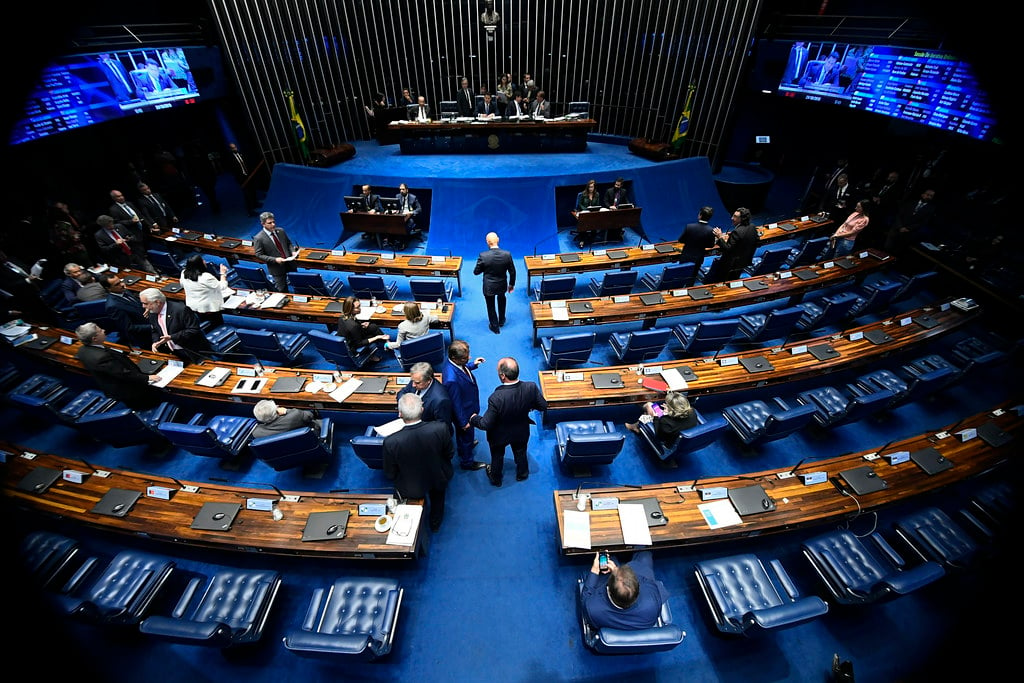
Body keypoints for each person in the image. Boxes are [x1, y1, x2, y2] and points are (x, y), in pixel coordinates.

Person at [470, 357, 547, 487]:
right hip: (521, 431)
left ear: (503, 376)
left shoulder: (496, 398)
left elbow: (485, 424)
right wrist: (529, 406)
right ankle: (522, 474)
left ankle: (496, 479)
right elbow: (543, 406)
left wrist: (473, 418)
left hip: (499, 435)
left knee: (497, 456)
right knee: (521, 452)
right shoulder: (531, 387)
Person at [383, 392, 454, 533]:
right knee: (438, 501)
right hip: (438, 477)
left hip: (410, 486)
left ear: (400, 414)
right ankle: (435, 524)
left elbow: (390, 473)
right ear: (422, 410)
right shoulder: (441, 428)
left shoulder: (390, 442)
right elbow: (450, 453)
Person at [74, 322, 164, 411]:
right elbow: (123, 374)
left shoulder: (82, 350)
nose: (104, 330)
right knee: (151, 400)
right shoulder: (101, 357)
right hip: (129, 391)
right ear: (95, 338)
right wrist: (147, 377)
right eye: (100, 330)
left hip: (111, 384)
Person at [581, 551, 670, 631]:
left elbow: (585, 596)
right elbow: (647, 580)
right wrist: (617, 570)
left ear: (608, 589)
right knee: (645, 554)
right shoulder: (652, 600)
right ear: (638, 590)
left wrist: (595, 569)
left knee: (610, 556)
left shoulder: (592, 609)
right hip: (641, 621)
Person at [441, 339, 487, 471]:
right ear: (455, 358)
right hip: (465, 414)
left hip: (469, 406)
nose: (469, 358)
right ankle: (467, 462)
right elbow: (456, 403)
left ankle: (464, 447)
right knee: (466, 436)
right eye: (466, 358)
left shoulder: (453, 364)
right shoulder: (451, 380)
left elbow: (463, 368)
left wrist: (473, 364)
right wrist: (462, 422)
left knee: (466, 437)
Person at [139, 287, 212, 363]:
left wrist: (172, 337)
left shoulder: (181, 309)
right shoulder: (152, 312)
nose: (143, 306)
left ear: (157, 302)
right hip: (173, 352)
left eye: (145, 303)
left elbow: (194, 329)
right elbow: (155, 329)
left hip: (193, 351)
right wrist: (156, 342)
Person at [473, 231, 515, 334]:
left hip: (489, 286)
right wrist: (511, 284)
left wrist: (485, 267)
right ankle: (501, 320)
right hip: (502, 284)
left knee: (490, 305)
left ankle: (495, 326)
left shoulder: (483, 256)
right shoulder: (507, 254)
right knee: (502, 299)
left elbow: (476, 272)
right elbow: (512, 271)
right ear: (498, 239)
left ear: (487, 242)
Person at [98, 271, 151, 349]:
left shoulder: (123, 291)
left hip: (149, 322)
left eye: (120, 281)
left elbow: (136, 304)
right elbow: (129, 328)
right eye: (117, 284)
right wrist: (152, 327)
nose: (122, 285)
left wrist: (147, 307)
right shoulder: (113, 306)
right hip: (145, 336)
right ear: (108, 288)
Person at [625, 391, 698, 446]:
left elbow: (659, 436)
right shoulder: (692, 412)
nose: (665, 404)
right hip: (680, 435)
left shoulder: (665, 421)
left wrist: (656, 417)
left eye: (667, 405)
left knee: (649, 406)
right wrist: (669, 412)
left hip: (668, 441)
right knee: (651, 407)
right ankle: (636, 426)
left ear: (672, 409)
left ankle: (635, 426)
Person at [707, 207, 760, 282]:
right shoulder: (752, 227)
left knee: (724, 281)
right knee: (734, 280)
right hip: (744, 261)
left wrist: (719, 237)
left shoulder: (737, 232)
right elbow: (757, 242)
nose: (732, 218)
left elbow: (727, 249)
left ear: (742, 219)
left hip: (731, 265)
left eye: (735, 217)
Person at [180, 253, 231, 327]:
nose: (204, 261)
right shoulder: (206, 277)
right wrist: (223, 273)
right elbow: (222, 286)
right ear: (200, 264)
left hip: (193, 306)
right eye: (203, 260)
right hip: (209, 308)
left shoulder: (183, 273)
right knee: (216, 324)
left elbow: (182, 285)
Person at [252, 211, 298, 292]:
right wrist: (275, 259)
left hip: (290, 263)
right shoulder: (259, 238)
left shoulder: (281, 231)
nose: (273, 224)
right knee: (282, 290)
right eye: (269, 223)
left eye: (273, 222)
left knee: (298, 285)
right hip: (276, 268)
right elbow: (259, 254)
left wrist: (293, 251)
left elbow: (288, 243)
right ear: (263, 224)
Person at [396, 362, 453, 426]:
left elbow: (443, 426)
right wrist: (404, 407)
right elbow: (401, 393)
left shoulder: (440, 400)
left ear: (428, 380)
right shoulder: (416, 380)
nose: (413, 385)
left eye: (417, 383)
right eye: (412, 381)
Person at [335, 296, 389, 362]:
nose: (360, 309)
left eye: (359, 306)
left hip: (349, 337)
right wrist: (377, 337)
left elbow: (352, 327)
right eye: (357, 308)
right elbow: (359, 343)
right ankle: (371, 356)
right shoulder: (353, 326)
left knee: (373, 327)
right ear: (350, 309)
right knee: (373, 335)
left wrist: (360, 325)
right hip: (352, 346)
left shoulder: (342, 316)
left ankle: (386, 343)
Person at [885, 188, 937, 256]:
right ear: (922, 194)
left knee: (896, 253)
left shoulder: (931, 209)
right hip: (896, 229)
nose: (928, 197)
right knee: (886, 248)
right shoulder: (910, 203)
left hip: (909, 233)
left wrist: (908, 228)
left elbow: (923, 222)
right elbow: (899, 215)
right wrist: (900, 226)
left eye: (931, 196)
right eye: (927, 194)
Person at [251, 399, 321, 439]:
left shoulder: (256, 433)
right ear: (277, 411)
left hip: (285, 452)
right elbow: (310, 415)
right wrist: (287, 411)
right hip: (310, 439)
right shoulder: (295, 415)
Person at [226, 142, 259, 216]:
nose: (234, 149)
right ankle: (250, 211)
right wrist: (238, 178)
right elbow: (232, 170)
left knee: (252, 190)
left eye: (235, 147)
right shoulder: (230, 158)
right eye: (232, 148)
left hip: (249, 175)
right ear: (230, 149)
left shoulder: (241, 154)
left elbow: (247, 163)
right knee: (247, 194)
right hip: (241, 178)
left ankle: (255, 204)